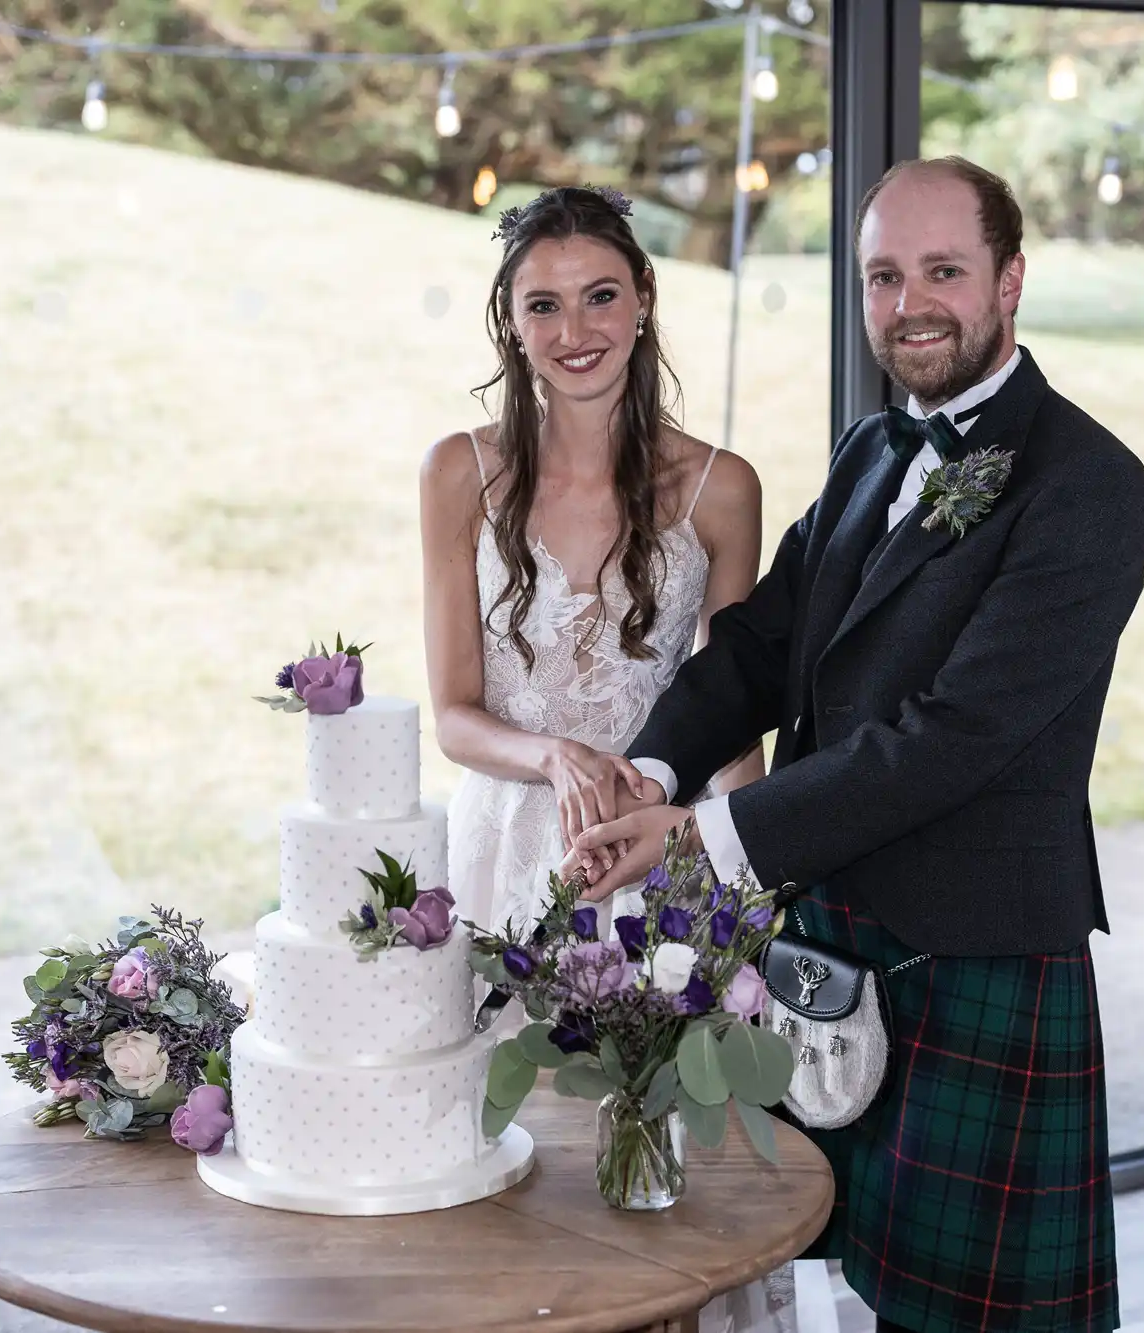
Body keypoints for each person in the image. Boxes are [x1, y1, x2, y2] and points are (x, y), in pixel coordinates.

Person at [566, 157, 1144, 1333]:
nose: (909, 302)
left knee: (963, 1316)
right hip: (830, 941)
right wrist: (655, 766)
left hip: (971, 947)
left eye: (942, 270)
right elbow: (761, 643)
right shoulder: (867, 452)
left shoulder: (1086, 482)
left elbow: (954, 738)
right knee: (835, 1268)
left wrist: (709, 832)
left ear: (1011, 279)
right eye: (884, 275)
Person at [420, 183, 792, 1333]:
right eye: (543, 305)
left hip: (656, 867)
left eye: (597, 297)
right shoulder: (457, 472)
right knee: (501, 1166)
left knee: (654, 1185)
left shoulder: (718, 485)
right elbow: (452, 712)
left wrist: (746, 888)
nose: (573, 329)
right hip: (502, 863)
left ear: (642, 303)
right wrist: (553, 755)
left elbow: (732, 708)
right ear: (509, 322)